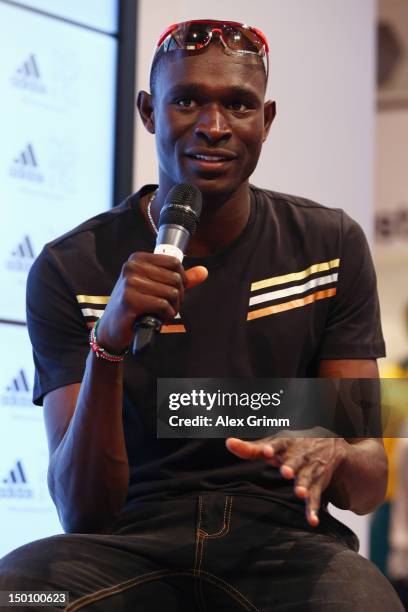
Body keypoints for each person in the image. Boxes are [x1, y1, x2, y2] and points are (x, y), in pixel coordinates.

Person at [0, 19, 403, 611]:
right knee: (19, 596)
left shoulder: (328, 245)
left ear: (265, 122)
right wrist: (108, 344)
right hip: (126, 543)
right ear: (148, 111)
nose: (214, 128)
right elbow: (81, 509)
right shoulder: (72, 267)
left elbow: (369, 483)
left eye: (238, 105)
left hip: (284, 547)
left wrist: (337, 450)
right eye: (187, 100)